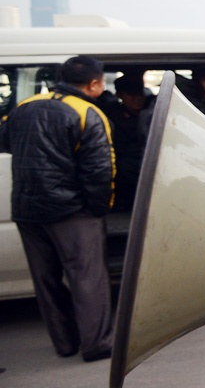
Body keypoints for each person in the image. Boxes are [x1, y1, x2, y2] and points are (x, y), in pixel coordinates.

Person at [0, 55, 115, 361]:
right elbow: (100, 172)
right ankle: (97, 343)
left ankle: (65, 343)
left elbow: (7, 143)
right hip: (71, 212)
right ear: (94, 83)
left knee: (46, 280)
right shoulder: (88, 113)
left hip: (26, 210)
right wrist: (97, 211)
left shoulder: (23, 107)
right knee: (87, 277)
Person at [104, 73, 152, 210]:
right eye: (131, 95)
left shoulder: (152, 111)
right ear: (119, 95)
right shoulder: (114, 117)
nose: (137, 99)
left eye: (140, 94)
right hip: (126, 164)